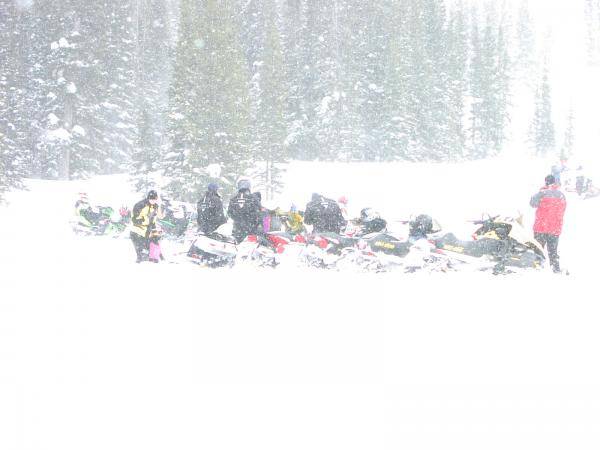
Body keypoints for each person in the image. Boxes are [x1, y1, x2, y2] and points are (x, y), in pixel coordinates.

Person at [530, 175, 567, 273]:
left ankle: (536, 267)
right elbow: (563, 209)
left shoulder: (541, 193)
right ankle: (555, 269)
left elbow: (532, 204)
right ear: (554, 182)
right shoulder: (561, 195)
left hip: (540, 227)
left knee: (538, 249)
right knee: (553, 251)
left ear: (546, 182)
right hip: (555, 228)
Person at [130, 190, 163, 263]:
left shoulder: (155, 206)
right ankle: (139, 259)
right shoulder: (140, 205)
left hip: (148, 230)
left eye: (155, 199)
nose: (153, 201)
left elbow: (155, 218)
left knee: (152, 248)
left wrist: (153, 227)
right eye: (152, 199)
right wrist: (146, 220)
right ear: (148, 198)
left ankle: (157, 257)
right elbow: (134, 219)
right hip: (137, 231)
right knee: (140, 252)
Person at [227, 178, 262, 243]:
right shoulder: (253, 198)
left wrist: (238, 218)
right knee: (248, 249)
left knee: (235, 247)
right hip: (250, 229)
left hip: (237, 229)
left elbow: (229, 212)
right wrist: (251, 220)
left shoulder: (234, 198)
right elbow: (259, 213)